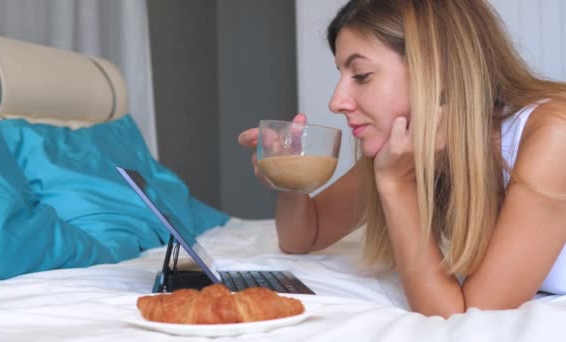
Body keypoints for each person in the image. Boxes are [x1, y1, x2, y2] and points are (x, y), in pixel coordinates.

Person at [238, 0, 566, 318]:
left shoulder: (554, 134)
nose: (336, 102)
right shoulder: (407, 145)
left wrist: (397, 185)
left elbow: (468, 319)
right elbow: (303, 236)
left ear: (437, 69)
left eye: (362, 74)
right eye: (341, 74)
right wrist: (286, 169)